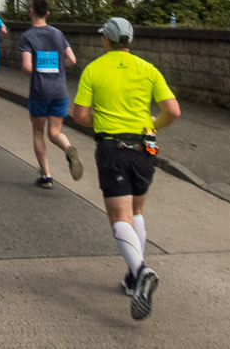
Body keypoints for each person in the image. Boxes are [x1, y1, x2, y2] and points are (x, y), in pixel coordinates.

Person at [72, 17, 181, 321]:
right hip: (145, 146)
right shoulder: (148, 69)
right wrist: (151, 126)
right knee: (136, 212)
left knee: (119, 217)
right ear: (129, 41)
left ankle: (141, 270)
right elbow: (173, 110)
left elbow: (79, 115)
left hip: (113, 148)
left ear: (105, 40)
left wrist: (104, 122)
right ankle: (133, 279)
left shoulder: (93, 69)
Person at [19, 0, 82, 189]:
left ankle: (46, 177)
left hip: (40, 92)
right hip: (59, 91)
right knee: (54, 132)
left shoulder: (27, 37)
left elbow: (28, 67)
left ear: (31, 12)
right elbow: (72, 59)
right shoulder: (58, 34)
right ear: (47, 13)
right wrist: (58, 67)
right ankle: (68, 148)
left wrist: (35, 71)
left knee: (38, 132)